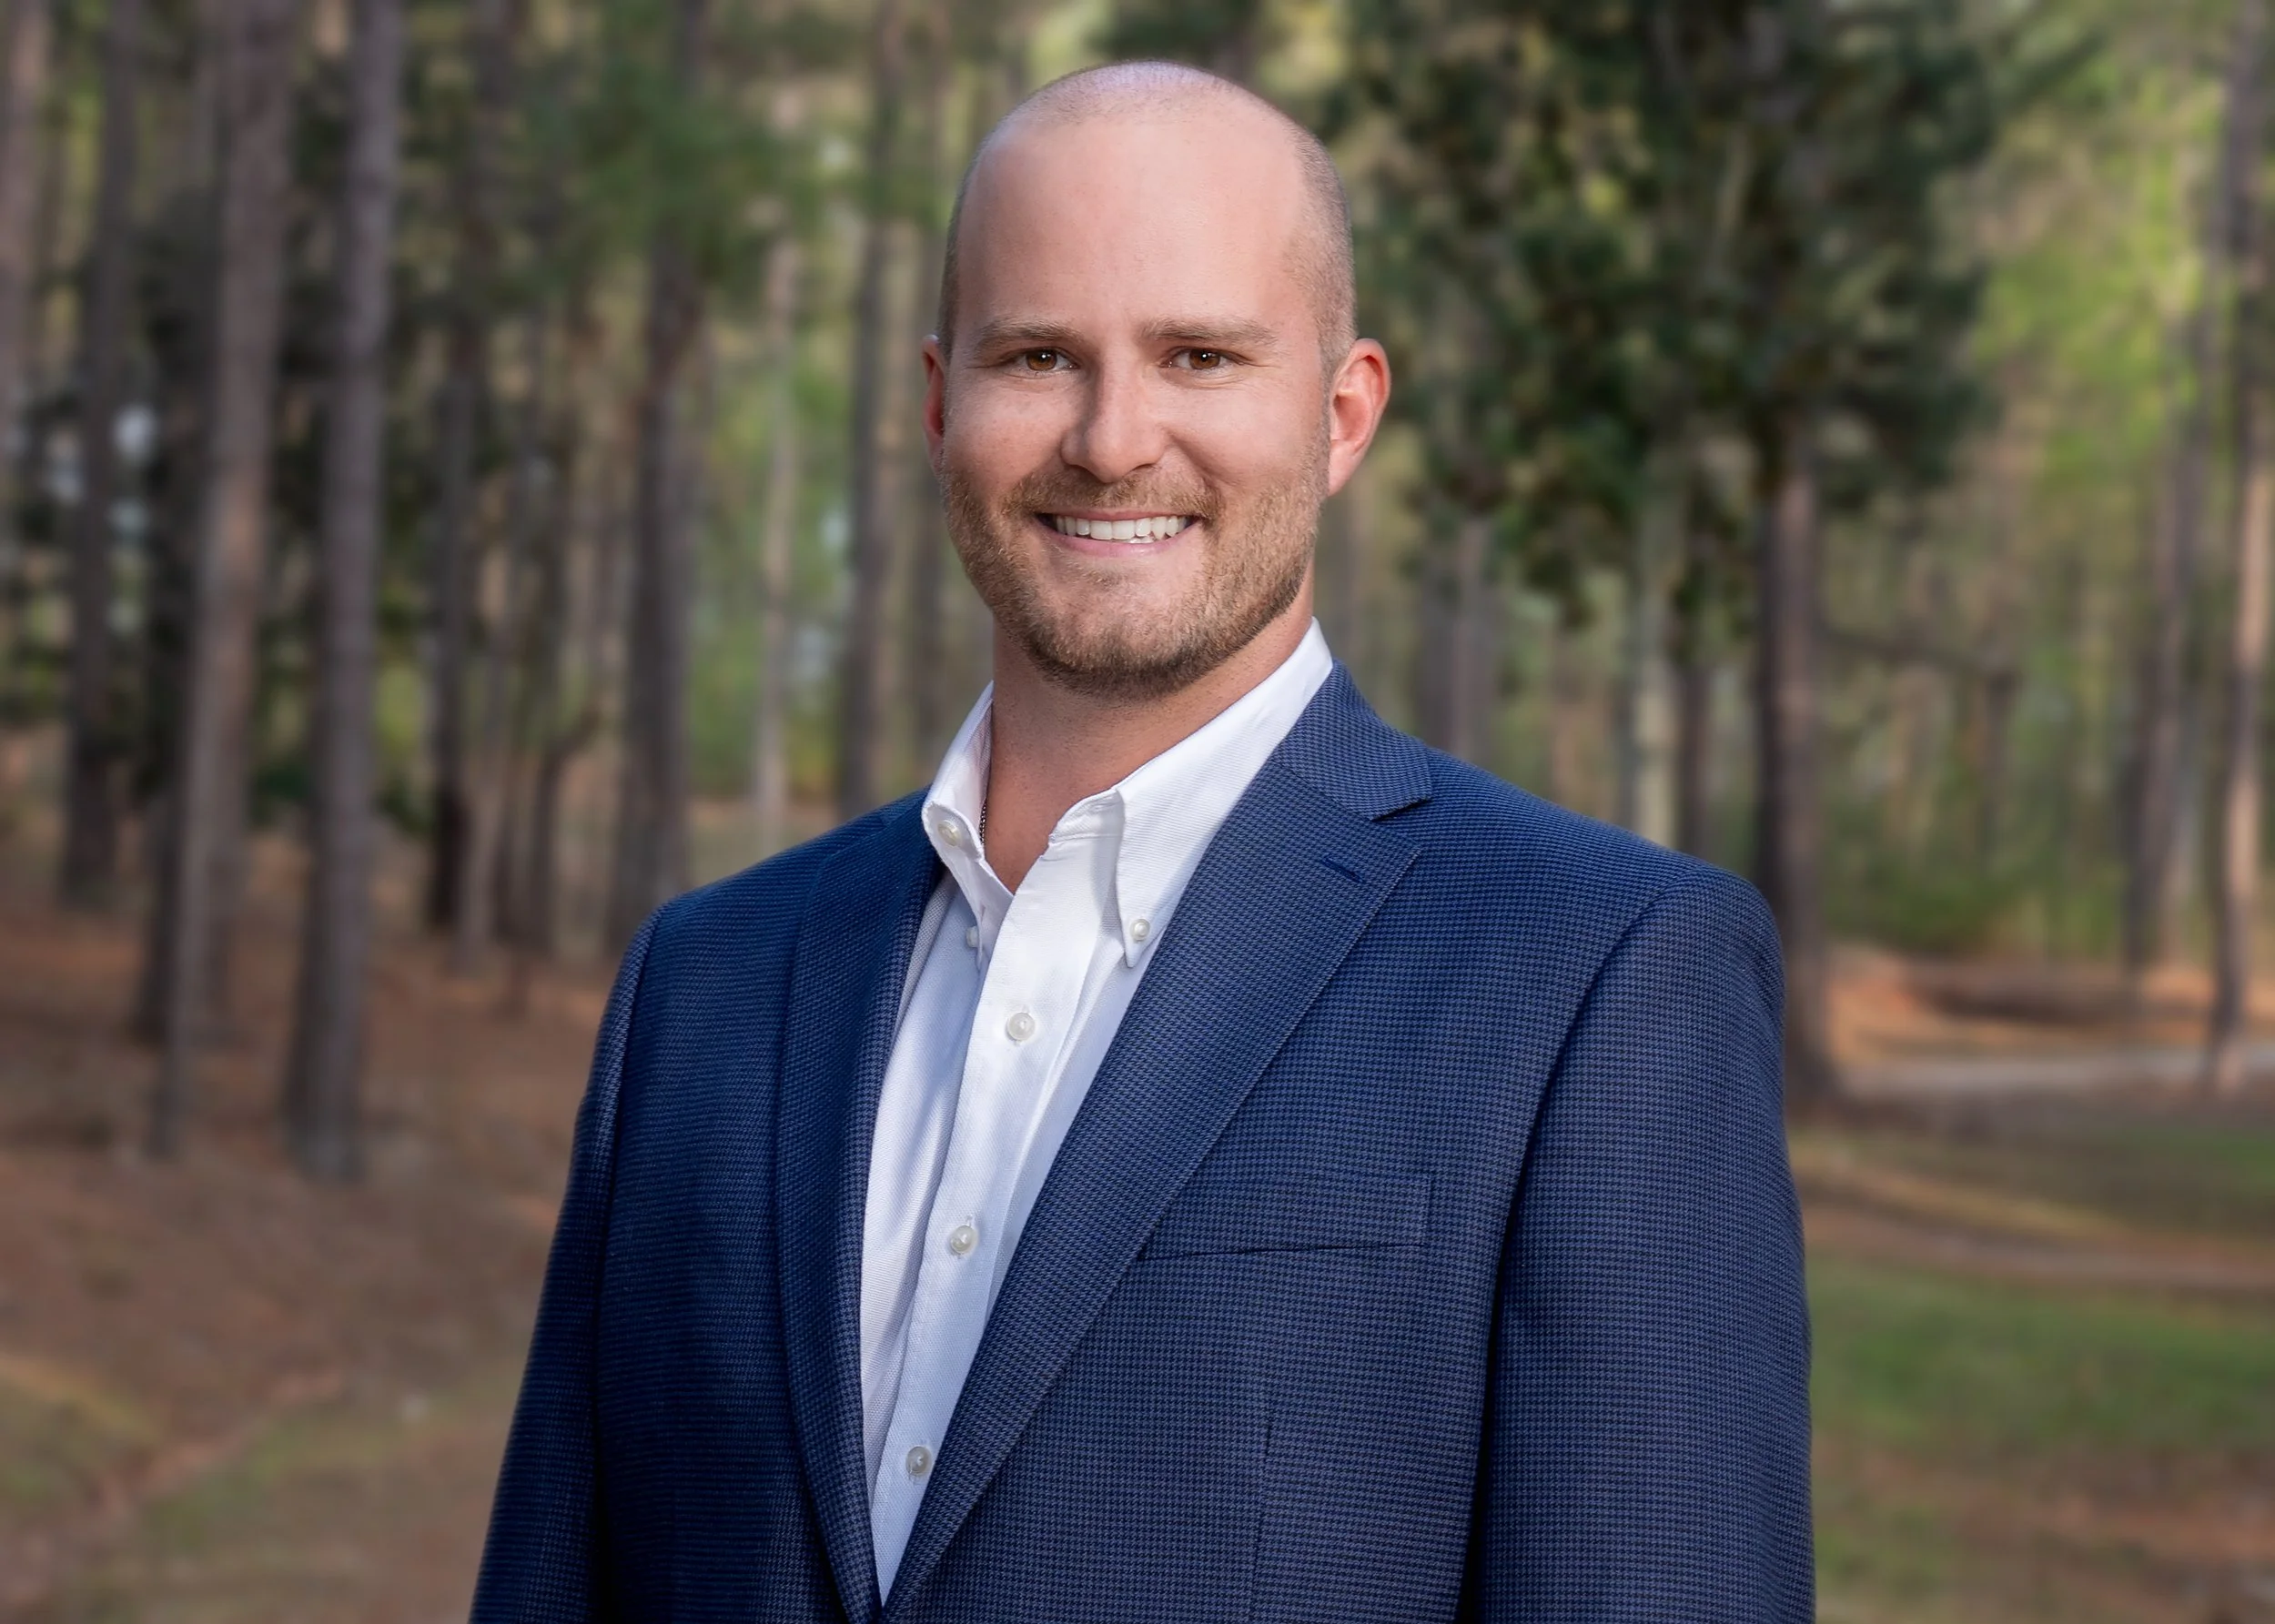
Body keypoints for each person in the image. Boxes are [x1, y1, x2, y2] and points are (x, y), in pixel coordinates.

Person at [472, 61, 1811, 1624]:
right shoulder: (703, 983)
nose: (1112, 442)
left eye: (1201, 356)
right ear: (939, 403)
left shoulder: (1600, 975)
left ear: (1342, 413)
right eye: (1040, 355)